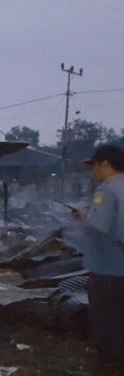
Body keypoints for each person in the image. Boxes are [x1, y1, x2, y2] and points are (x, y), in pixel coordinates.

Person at [73, 144, 124, 373]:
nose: (93, 172)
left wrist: (84, 216)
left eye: (94, 166)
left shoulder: (106, 191)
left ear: (105, 164)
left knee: (105, 321)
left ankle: (109, 364)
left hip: (107, 269)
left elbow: (99, 226)